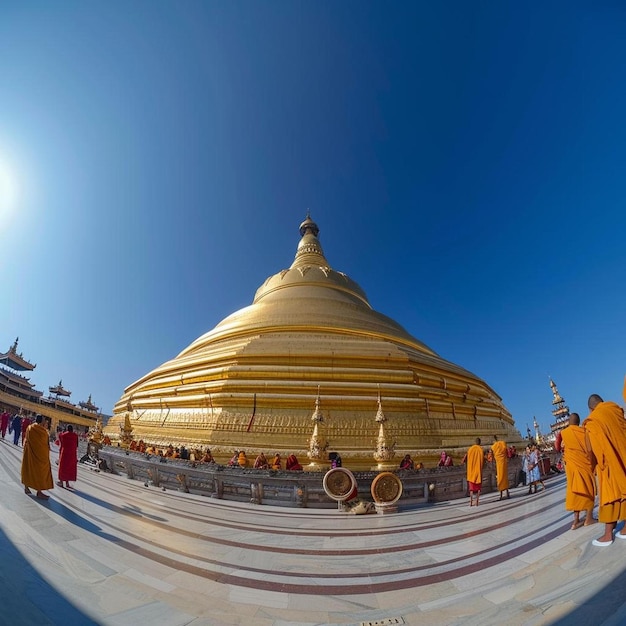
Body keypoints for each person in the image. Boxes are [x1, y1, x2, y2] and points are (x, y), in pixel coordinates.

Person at [583, 393, 626, 547]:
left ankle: (608, 535)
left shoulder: (592, 421)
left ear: (590, 409)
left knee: (611, 495)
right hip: (623, 454)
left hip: (607, 462)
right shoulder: (615, 409)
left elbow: (590, 450)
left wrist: (593, 465)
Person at [560, 413, 596, 530]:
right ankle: (588, 519)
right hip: (584, 465)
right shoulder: (583, 432)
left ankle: (575, 521)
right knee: (589, 489)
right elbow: (589, 449)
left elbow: (560, 448)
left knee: (575, 492)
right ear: (578, 422)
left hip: (572, 468)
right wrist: (593, 464)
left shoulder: (564, 434)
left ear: (569, 422)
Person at [21, 415, 53, 500]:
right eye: (44, 421)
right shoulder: (43, 431)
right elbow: (45, 444)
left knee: (29, 468)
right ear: (41, 421)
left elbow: (26, 439)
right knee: (40, 471)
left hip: (29, 452)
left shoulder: (30, 427)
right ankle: (39, 491)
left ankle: (26, 487)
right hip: (40, 455)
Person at [463, 438, 484, 507]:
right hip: (478, 472)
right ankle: (477, 501)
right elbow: (482, 461)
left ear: (475, 442)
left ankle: (471, 502)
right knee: (478, 489)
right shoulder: (480, 450)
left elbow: (465, 459)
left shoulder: (470, 449)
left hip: (471, 472)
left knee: (471, 489)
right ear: (480, 443)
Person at [57, 424, 79, 488]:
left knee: (62, 467)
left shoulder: (63, 435)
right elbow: (77, 445)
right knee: (69, 468)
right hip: (72, 454)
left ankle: (61, 482)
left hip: (64, 453)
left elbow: (60, 440)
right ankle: (67, 483)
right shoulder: (75, 436)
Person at [491, 435, 510, 500]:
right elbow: (506, 451)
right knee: (505, 477)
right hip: (504, 462)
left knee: (500, 478)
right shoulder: (502, 443)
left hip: (498, 464)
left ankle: (501, 495)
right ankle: (507, 493)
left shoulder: (494, 446)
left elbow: (492, 455)